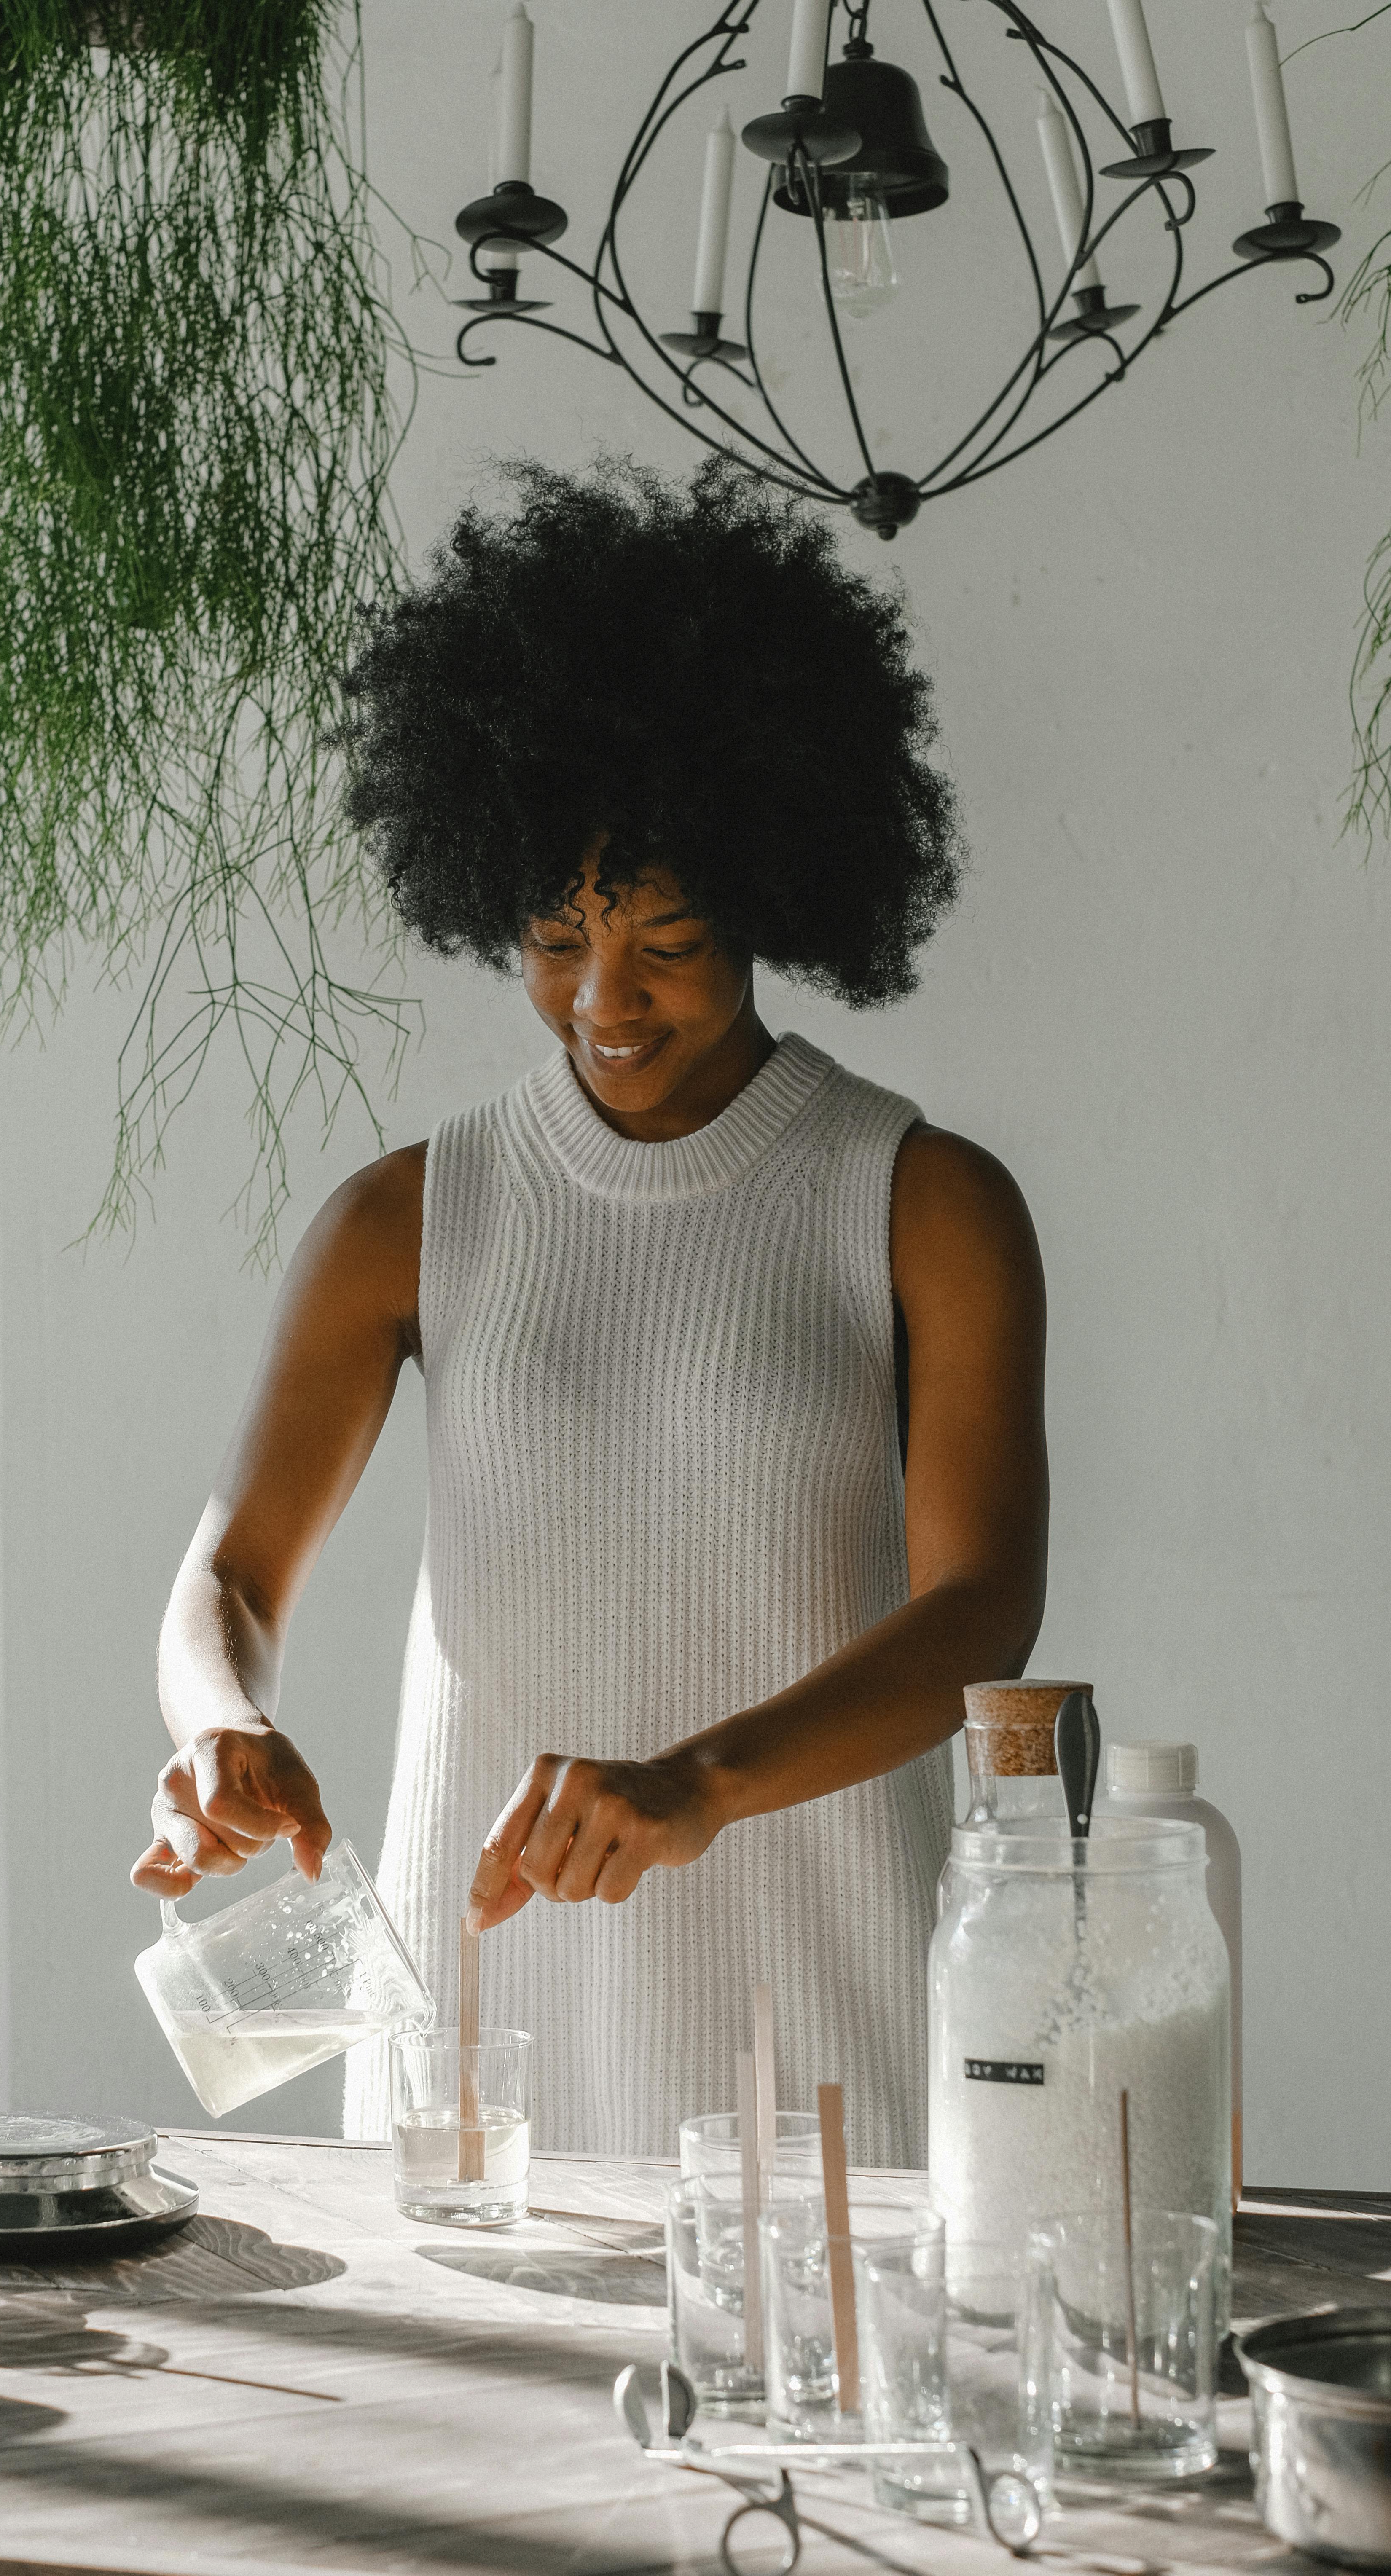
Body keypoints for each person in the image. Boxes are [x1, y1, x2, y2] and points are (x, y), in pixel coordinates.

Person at [134, 461, 1047, 2165]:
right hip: (484, 2028)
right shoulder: (408, 1217)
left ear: (771, 890)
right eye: (552, 937)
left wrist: (694, 1783)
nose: (602, 998)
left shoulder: (921, 1199)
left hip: (821, 1992)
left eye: (668, 937)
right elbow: (229, 1579)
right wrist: (222, 1725)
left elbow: (978, 1613)